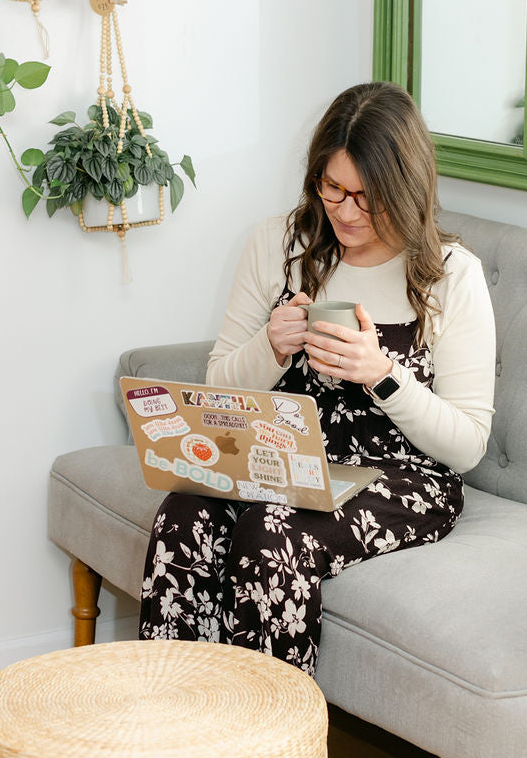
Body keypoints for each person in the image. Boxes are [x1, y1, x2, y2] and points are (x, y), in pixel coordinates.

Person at [138, 81, 496, 674]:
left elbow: (467, 445)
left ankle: (272, 743)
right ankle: (180, 722)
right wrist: (271, 348)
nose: (346, 211)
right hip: (284, 461)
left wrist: (382, 376)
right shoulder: (280, 244)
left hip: (401, 477)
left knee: (270, 531)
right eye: (333, 188)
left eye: (367, 196)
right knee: (184, 515)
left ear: (405, 190)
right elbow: (220, 385)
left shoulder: (450, 274)